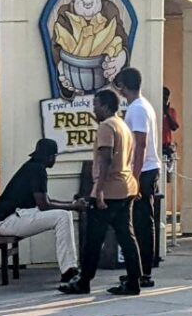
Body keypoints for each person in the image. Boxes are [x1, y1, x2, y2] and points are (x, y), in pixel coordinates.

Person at [60, 89, 142, 296]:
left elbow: (105, 158)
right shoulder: (122, 125)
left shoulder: (106, 126)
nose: (93, 109)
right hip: (126, 186)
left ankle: (84, 281)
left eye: (95, 105)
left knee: (93, 239)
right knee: (126, 235)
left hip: (110, 189)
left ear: (105, 106)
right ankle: (134, 280)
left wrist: (99, 190)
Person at [0, 138, 82, 284]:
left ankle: (70, 268)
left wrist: (72, 205)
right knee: (63, 216)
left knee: (64, 214)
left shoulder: (32, 167)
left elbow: (47, 201)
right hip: (6, 221)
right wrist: (73, 207)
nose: (54, 160)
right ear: (50, 157)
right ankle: (69, 270)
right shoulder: (37, 170)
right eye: (55, 157)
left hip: (14, 216)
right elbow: (44, 205)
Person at [115, 67, 160, 288]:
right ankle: (139, 269)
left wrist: (134, 177)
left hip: (143, 171)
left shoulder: (137, 109)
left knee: (142, 222)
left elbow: (140, 144)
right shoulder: (143, 106)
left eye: (119, 85)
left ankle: (144, 271)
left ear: (124, 85)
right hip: (145, 169)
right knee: (139, 221)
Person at [162, 86, 179, 160]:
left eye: (166, 99)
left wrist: (166, 113)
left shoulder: (171, 111)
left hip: (166, 145)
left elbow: (174, 127)